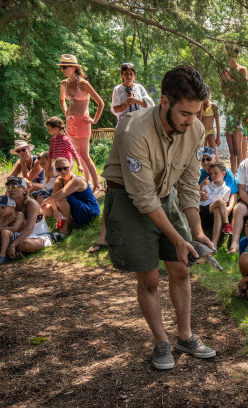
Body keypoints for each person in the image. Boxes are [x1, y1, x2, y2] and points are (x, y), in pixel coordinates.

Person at [101, 64, 216, 370]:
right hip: (128, 197)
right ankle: (160, 341)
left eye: (197, 113)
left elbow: (190, 184)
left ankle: (186, 336)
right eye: (184, 114)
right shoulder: (132, 130)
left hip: (164, 195)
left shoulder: (196, 129)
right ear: (164, 102)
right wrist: (178, 239)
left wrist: (196, 231)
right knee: (149, 276)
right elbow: (142, 198)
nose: (192, 122)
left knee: (181, 267)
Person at [58, 54, 104, 195]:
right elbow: (61, 100)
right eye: (61, 67)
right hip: (70, 122)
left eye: (65, 67)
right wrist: (66, 111)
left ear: (74, 67)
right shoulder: (64, 83)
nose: (63, 69)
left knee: (84, 154)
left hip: (83, 122)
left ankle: (97, 185)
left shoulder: (84, 84)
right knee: (77, 153)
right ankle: (87, 181)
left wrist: (94, 120)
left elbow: (100, 103)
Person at [41, 157, 101, 235]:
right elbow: (54, 197)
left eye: (65, 168)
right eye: (59, 169)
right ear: (56, 170)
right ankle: (42, 231)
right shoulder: (59, 180)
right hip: (74, 209)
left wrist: (45, 201)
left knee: (60, 198)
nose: (63, 171)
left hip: (89, 210)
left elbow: (61, 194)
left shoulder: (76, 180)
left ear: (70, 167)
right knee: (45, 208)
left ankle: (65, 229)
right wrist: (55, 209)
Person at [3, 176, 53, 257]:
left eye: (15, 187)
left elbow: (29, 229)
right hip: (17, 235)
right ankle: (11, 251)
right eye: (9, 187)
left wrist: (13, 245)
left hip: (38, 236)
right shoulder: (8, 205)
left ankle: (6, 250)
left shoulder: (31, 203)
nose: (11, 189)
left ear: (24, 190)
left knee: (25, 244)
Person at [222, 48, 248, 173]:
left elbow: (244, 90)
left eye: (232, 54)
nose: (230, 57)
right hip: (228, 113)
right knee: (231, 152)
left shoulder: (241, 69)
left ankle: (242, 176)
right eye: (228, 55)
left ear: (237, 55)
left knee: (238, 151)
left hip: (237, 112)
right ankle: (233, 175)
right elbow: (224, 92)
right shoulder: (225, 71)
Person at [199, 161, 233, 249]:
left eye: (216, 173)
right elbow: (196, 197)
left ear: (223, 173)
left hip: (213, 214)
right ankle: (226, 224)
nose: (213, 175)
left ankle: (214, 245)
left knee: (218, 209)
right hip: (202, 211)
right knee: (219, 202)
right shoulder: (207, 185)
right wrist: (201, 187)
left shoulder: (227, 189)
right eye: (211, 173)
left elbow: (225, 204)